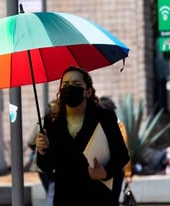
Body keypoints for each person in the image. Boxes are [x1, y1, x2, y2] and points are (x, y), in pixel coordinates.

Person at [35, 66, 130, 206]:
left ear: (88, 91)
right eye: (65, 84)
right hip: (65, 197)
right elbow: (46, 166)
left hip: (99, 197)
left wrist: (104, 172)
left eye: (76, 84)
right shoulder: (51, 121)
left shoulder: (105, 118)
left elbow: (122, 156)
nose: (70, 88)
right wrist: (42, 150)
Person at [99, 96, 133, 205]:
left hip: (110, 170)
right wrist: (127, 174)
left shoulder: (117, 126)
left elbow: (124, 150)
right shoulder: (119, 125)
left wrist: (127, 174)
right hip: (111, 170)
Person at [27, 101, 57, 206]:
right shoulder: (62, 123)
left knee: (50, 192)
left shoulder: (41, 122)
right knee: (52, 193)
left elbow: (30, 142)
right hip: (51, 169)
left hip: (40, 168)